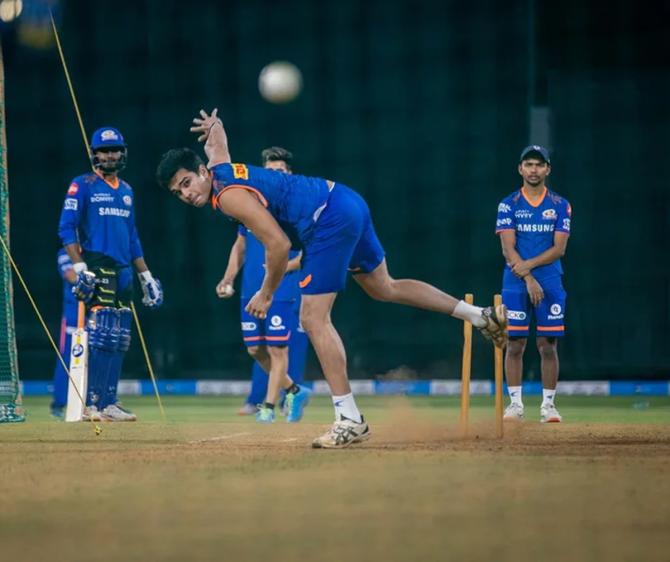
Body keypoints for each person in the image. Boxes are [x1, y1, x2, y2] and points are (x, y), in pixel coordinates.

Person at [156, 108, 507, 448]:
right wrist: (214, 124)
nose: (186, 194)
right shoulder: (216, 167)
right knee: (385, 287)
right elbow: (217, 144)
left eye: (186, 182)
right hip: (346, 200)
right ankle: (478, 316)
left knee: (312, 318)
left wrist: (266, 293)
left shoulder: (228, 196)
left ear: (202, 172)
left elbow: (278, 245)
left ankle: (349, 419)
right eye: (177, 192)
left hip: (326, 220)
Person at [58, 126, 163, 422]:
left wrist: (146, 277)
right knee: (102, 334)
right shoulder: (83, 184)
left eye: (115, 149)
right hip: (97, 265)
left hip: (124, 270)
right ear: (95, 154)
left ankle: (109, 402)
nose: (110, 155)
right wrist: (81, 268)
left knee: (119, 336)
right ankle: (92, 403)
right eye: (105, 151)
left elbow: (132, 238)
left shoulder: (127, 191)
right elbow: (66, 228)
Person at [216, 146, 311, 423]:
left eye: (280, 171)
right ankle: (294, 390)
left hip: (282, 288)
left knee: (277, 348)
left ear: (289, 174)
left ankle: (268, 406)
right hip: (250, 290)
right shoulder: (249, 204)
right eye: (270, 171)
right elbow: (241, 246)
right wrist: (228, 277)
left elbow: (309, 250)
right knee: (254, 349)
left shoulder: (294, 207)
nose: (275, 176)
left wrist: (284, 267)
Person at [495, 145, 571, 423]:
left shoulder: (560, 205)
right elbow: (507, 249)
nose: (534, 170)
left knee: (547, 344)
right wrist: (527, 277)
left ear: (547, 169)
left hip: (550, 279)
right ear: (520, 169)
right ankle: (515, 405)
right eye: (529, 164)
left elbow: (559, 249)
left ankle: (548, 406)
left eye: (539, 165)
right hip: (516, 280)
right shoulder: (509, 204)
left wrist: (531, 269)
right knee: (514, 344)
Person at [50, 249, 78, 419]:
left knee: (96, 359)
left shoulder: (94, 248)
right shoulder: (65, 252)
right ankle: (59, 404)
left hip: (94, 314)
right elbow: (71, 276)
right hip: (72, 317)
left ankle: (93, 403)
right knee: (66, 360)